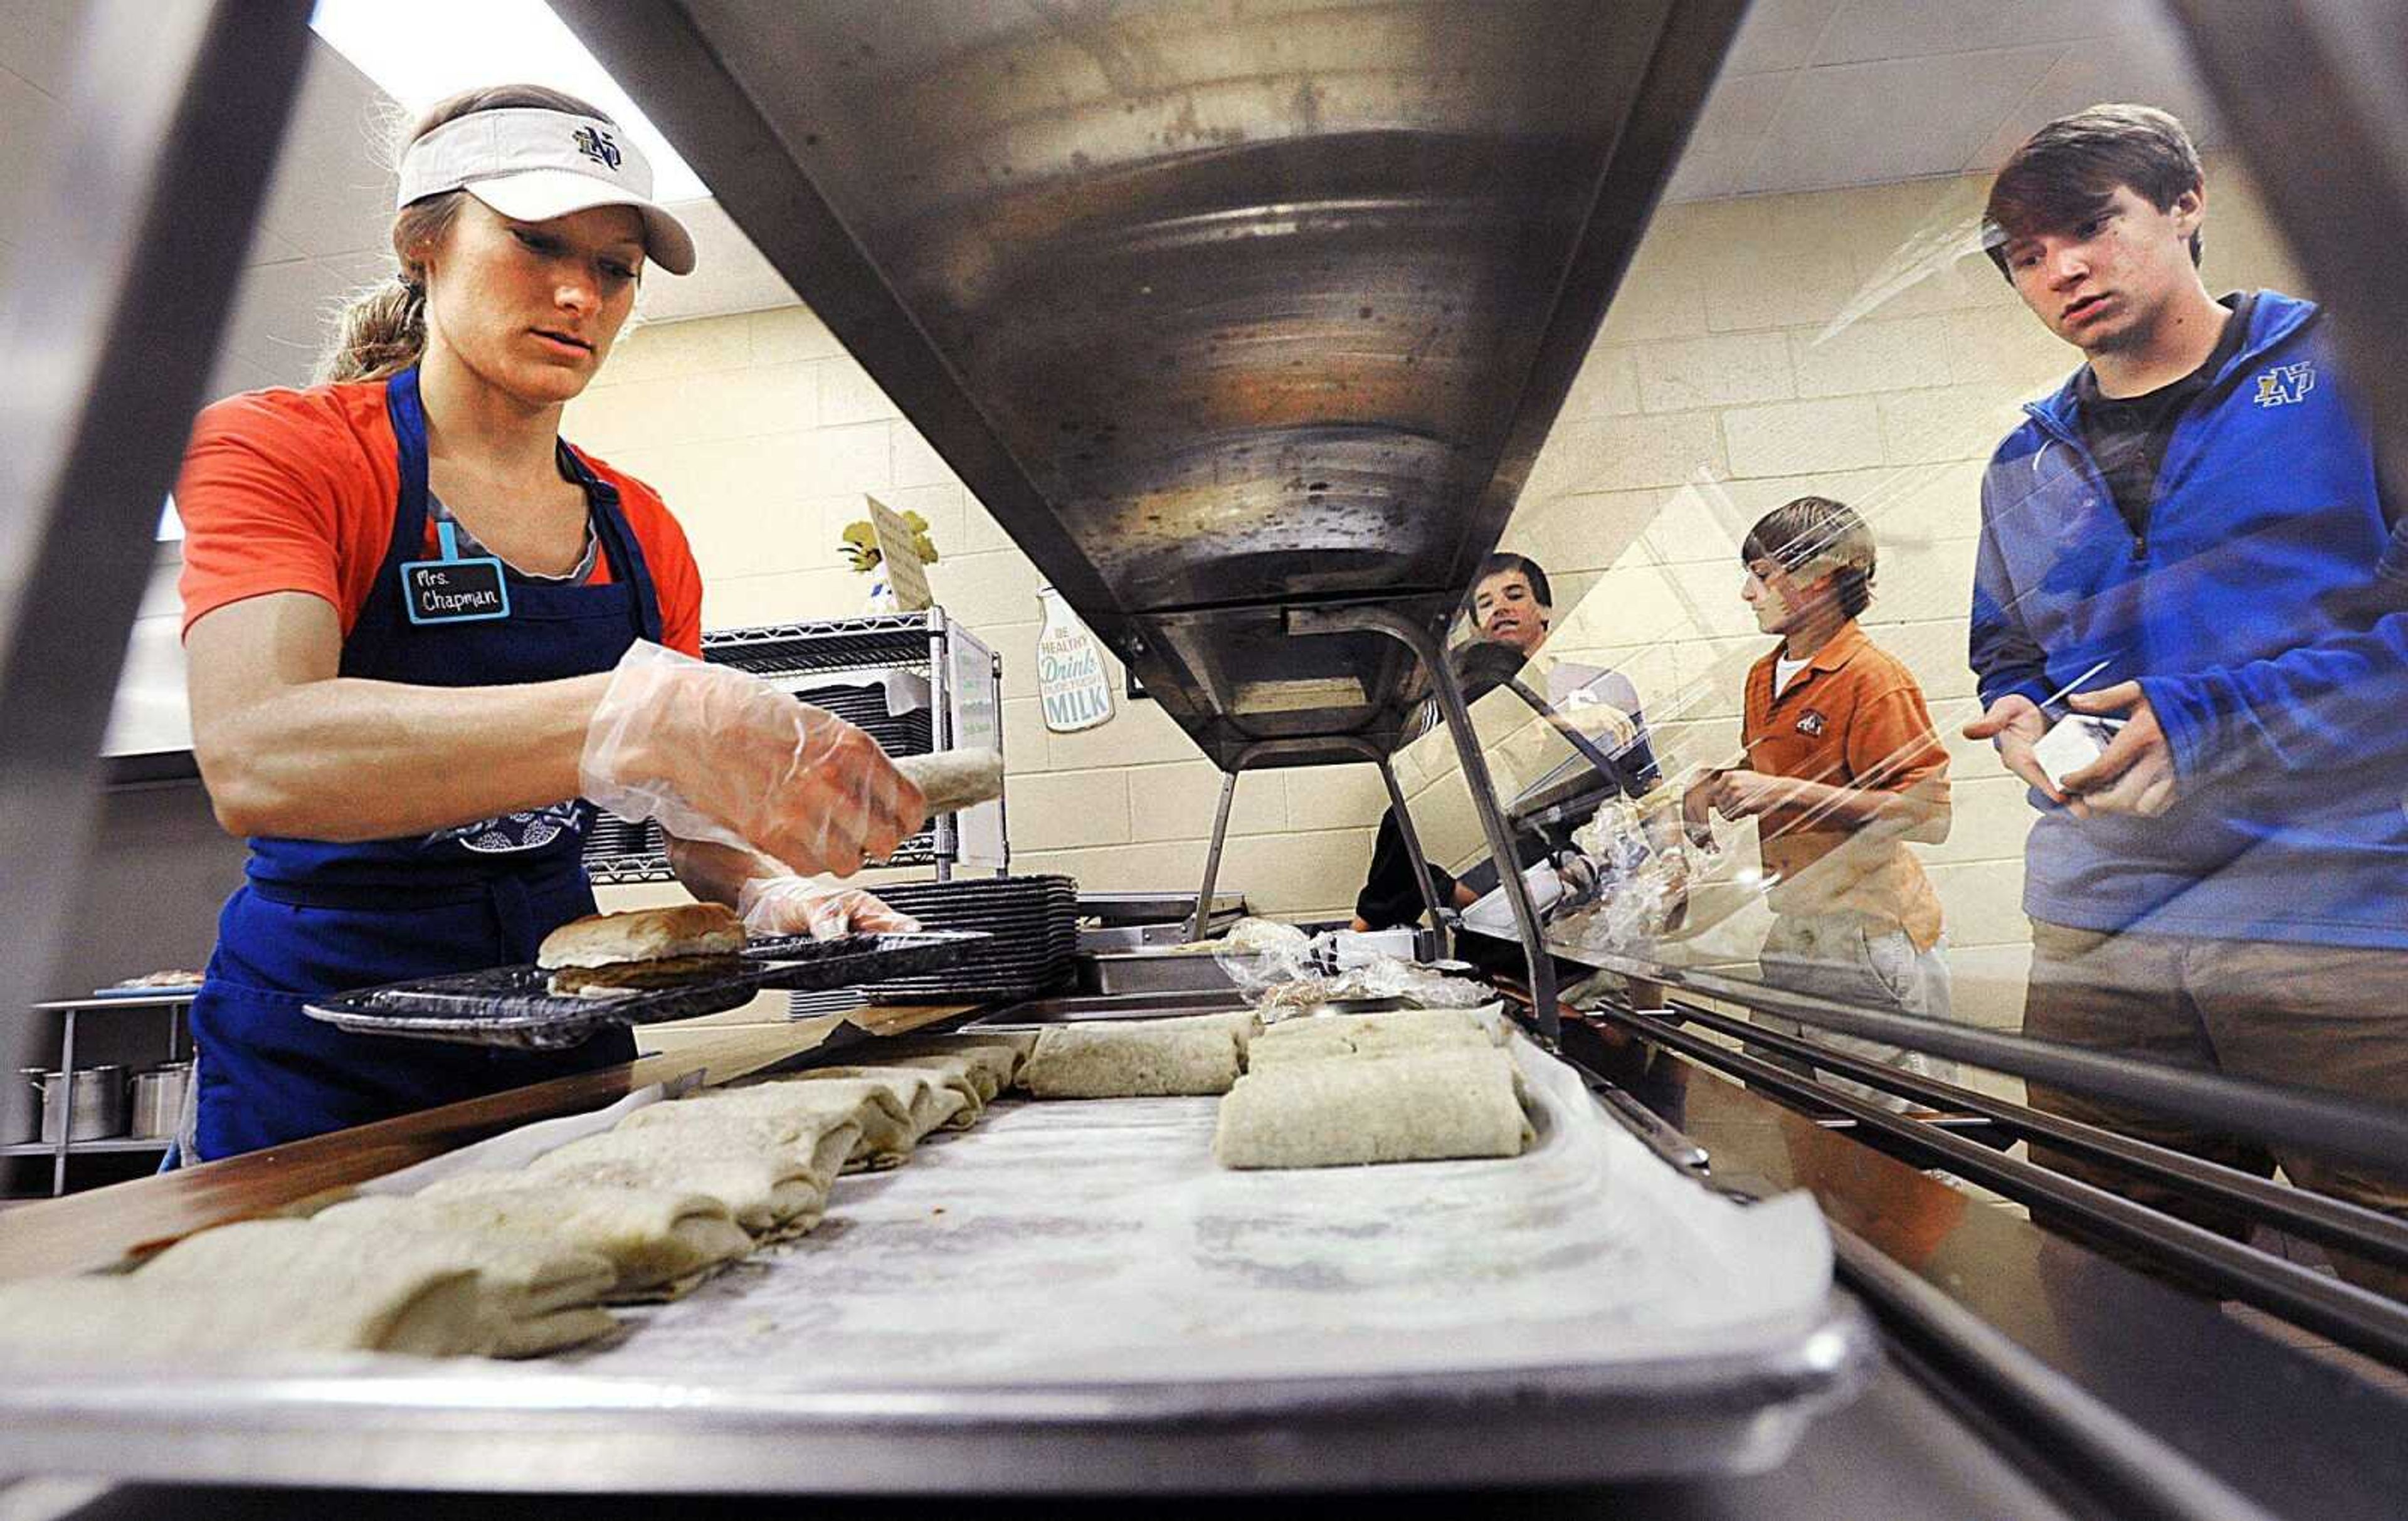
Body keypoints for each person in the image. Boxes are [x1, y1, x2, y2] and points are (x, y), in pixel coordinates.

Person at [172, 85, 926, 1162]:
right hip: (319, 1059)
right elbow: (260, 753)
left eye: (615, 267)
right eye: (533, 243)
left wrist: (772, 886)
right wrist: (640, 715)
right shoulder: (289, 453)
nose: (578, 292)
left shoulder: (640, 532)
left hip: (570, 1051)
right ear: (424, 243)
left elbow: (694, 828)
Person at [1965, 103, 2408, 1293]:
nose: (2059, 270)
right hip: (2103, 927)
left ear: (2186, 204)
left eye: (2088, 228)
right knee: (2112, 1266)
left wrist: (2214, 718)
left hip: (2339, 907)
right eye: (2024, 254)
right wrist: (2020, 718)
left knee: (2385, 1256)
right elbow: (2008, 655)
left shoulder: (2357, 371)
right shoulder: (2024, 462)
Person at [1683, 497, 1956, 1109]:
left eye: (1762, 573)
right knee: (1782, 1109)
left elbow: (1929, 813)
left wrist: (1781, 792)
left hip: (1867, 934)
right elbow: (1772, 768)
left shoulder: (1873, 676)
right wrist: (1716, 783)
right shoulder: (1763, 674)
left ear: (1821, 576)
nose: (1748, 593)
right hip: (1797, 927)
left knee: (1888, 1129)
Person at [1351, 552, 1657, 934]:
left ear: (1544, 609)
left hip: (1602, 910)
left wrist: (1669, 865)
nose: (1501, 608)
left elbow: (1648, 793)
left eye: (1514, 595)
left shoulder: (1603, 689)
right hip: (1501, 915)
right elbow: (1428, 788)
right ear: (1476, 626)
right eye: (1486, 602)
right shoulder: (1449, 699)